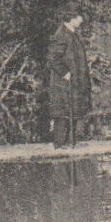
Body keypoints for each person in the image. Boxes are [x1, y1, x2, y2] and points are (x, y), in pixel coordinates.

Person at [45, 11, 92, 147]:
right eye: (79, 17)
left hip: (74, 81)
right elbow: (53, 58)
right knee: (63, 114)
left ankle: (69, 143)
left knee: (72, 111)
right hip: (64, 83)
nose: (81, 19)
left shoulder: (71, 33)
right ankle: (60, 145)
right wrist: (64, 72)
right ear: (71, 18)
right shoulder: (61, 35)